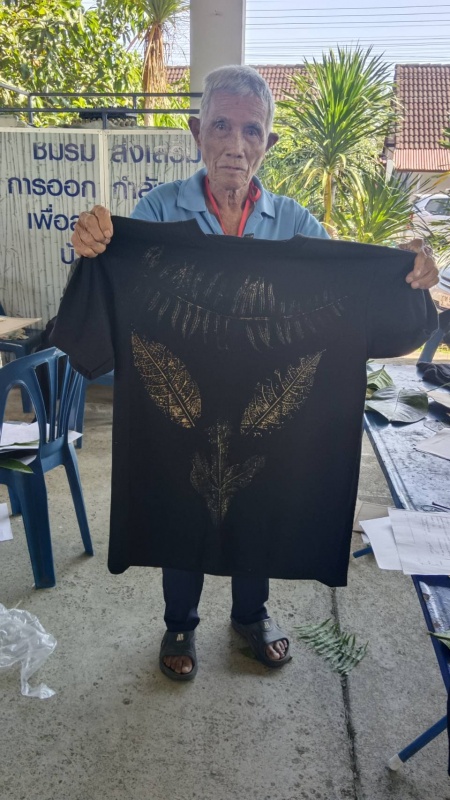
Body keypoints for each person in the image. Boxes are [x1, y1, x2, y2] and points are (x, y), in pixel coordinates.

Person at [70, 65, 439, 681]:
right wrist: (92, 244)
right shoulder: (158, 211)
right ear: (197, 133)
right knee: (179, 496)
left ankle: (250, 615)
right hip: (179, 397)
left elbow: (344, 296)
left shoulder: (296, 224)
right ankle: (179, 622)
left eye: (250, 130)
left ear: (269, 141)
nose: (235, 145)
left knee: (260, 499)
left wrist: (407, 276)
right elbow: (121, 283)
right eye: (220, 126)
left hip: (268, 401)